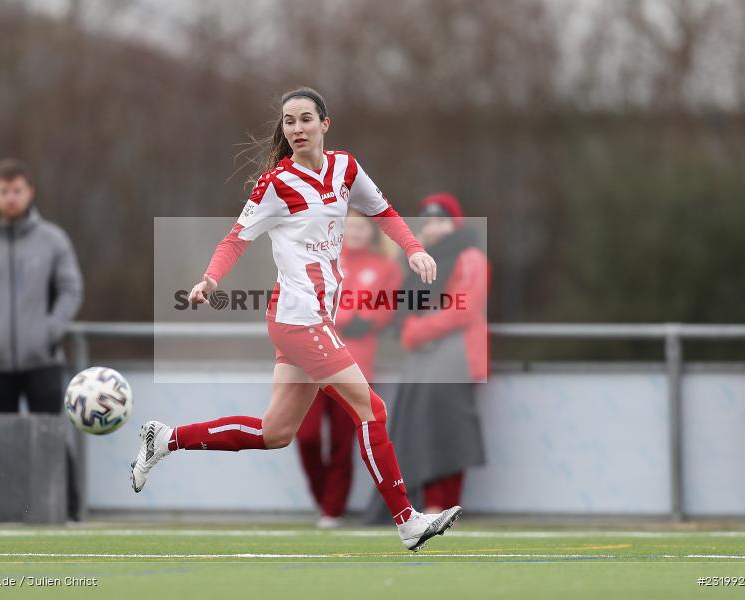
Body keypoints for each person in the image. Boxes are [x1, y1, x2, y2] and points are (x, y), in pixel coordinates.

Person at [131, 87, 461, 551]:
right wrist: (209, 279)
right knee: (373, 409)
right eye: (289, 121)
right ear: (283, 130)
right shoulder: (276, 183)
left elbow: (384, 212)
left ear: (325, 124)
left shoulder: (345, 168)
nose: (297, 128)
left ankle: (165, 438)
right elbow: (235, 239)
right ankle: (406, 520)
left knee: (275, 433)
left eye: (306, 119)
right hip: (298, 318)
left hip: (311, 318)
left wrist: (415, 248)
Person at [365, 193, 489, 522]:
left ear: (455, 223)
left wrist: (416, 331)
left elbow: (464, 308)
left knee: (449, 434)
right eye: (428, 222)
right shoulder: (423, 261)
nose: (434, 228)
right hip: (426, 360)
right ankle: (431, 506)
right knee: (424, 431)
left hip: (456, 359)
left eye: (441, 220)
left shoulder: (470, 257)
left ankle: (443, 506)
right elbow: (400, 299)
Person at [0, 158, 83, 413]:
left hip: (43, 361)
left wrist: (50, 331)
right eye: (4, 191)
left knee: (48, 441)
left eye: (17, 191)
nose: (11, 198)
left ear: (30, 192)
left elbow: (71, 289)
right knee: (1, 445)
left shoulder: (53, 240)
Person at [295, 210, 402, 528]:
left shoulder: (385, 268)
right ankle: (322, 497)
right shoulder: (320, 260)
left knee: (343, 440)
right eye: (349, 226)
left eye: (361, 227)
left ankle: (332, 509)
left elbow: (383, 312)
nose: (355, 232)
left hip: (354, 365)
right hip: (311, 362)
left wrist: (358, 321)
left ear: (372, 233)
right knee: (306, 435)